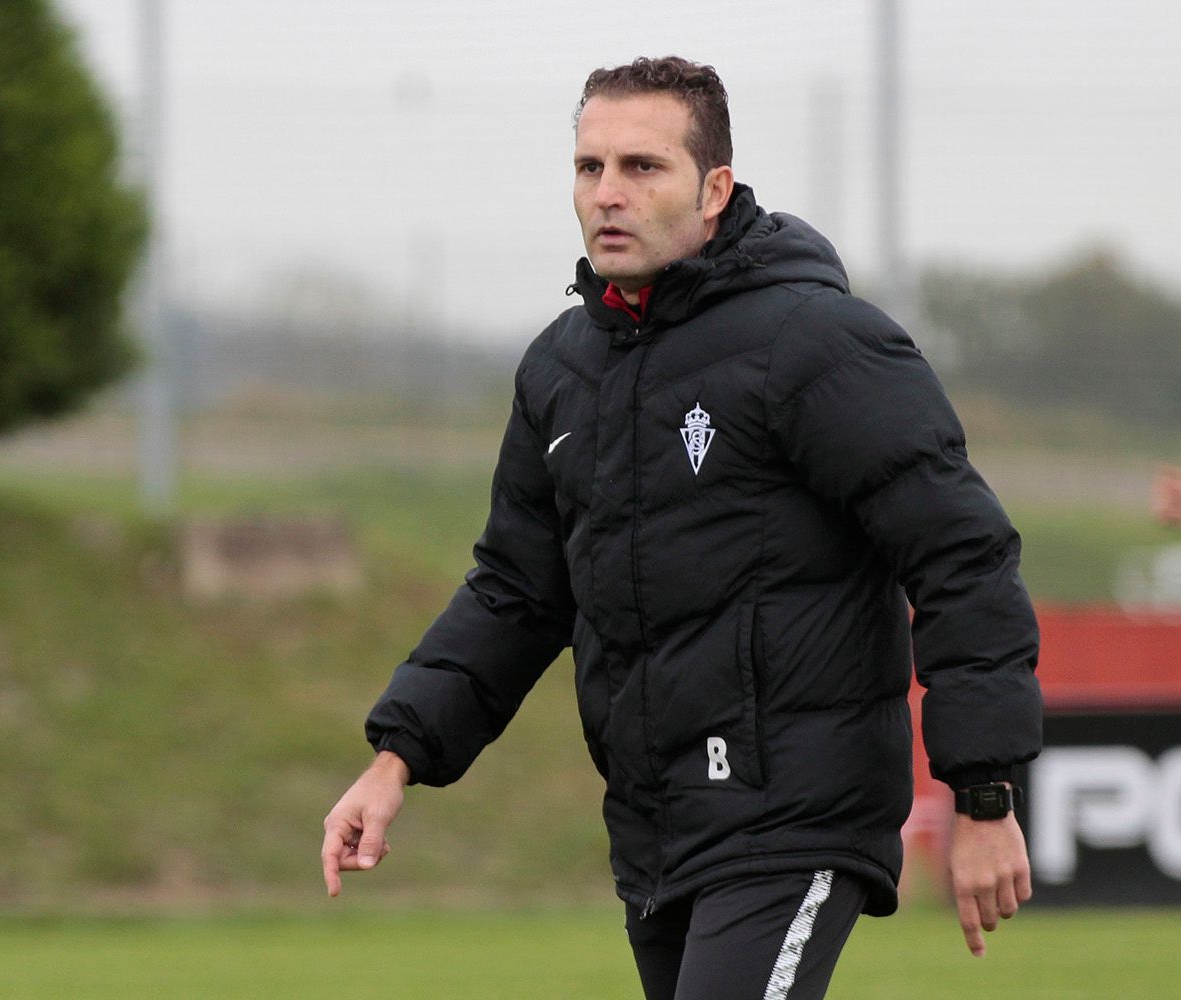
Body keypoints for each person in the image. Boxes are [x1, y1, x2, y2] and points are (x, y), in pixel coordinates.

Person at [321, 56, 1042, 1000]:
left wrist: (983, 794)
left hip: (794, 816)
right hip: (657, 828)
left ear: (714, 189)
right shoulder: (560, 372)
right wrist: (395, 761)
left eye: (641, 167)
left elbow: (961, 552)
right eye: (590, 168)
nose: (607, 195)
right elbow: (516, 591)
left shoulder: (815, 343)